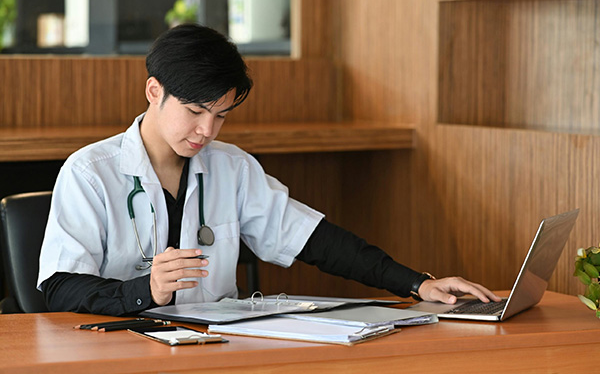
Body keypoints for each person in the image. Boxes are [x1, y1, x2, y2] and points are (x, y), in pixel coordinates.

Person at [37, 24, 500, 316]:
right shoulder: (90, 173)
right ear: (153, 90)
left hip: (216, 349)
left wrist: (418, 283)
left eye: (220, 115)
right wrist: (145, 290)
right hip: (118, 354)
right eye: (197, 110)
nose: (207, 131)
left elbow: (315, 240)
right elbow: (59, 289)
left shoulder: (232, 168)